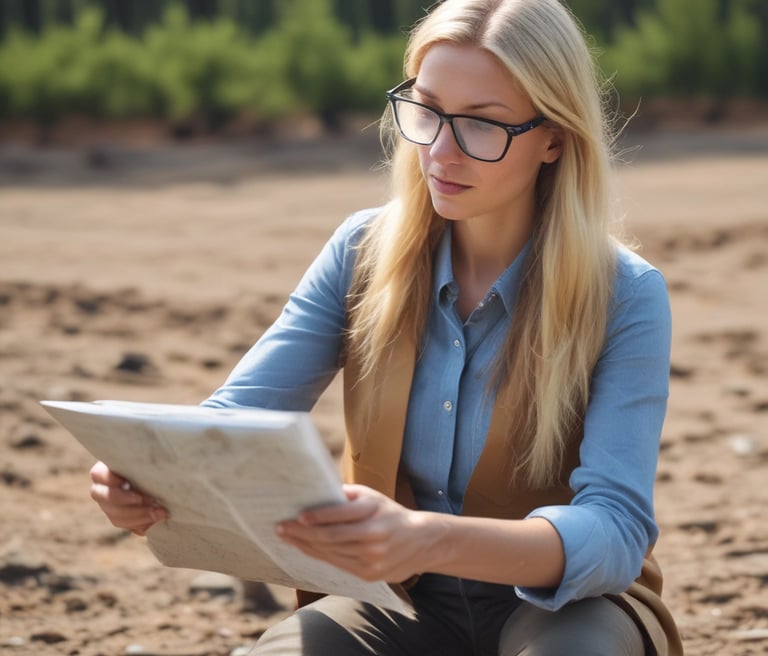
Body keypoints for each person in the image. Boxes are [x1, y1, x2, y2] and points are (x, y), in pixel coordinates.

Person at [89, 0, 684, 654]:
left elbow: (617, 530)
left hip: (569, 607)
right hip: (391, 598)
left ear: (555, 139)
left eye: (481, 124)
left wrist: (430, 537)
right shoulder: (359, 252)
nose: (440, 151)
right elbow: (235, 421)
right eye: (427, 111)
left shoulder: (626, 294)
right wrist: (150, 471)